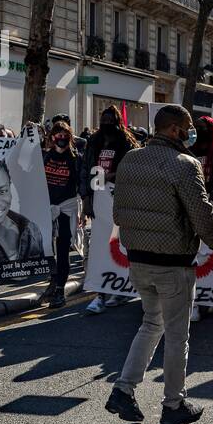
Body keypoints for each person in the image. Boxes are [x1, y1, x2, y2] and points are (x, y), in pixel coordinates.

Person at [105, 105, 213, 424]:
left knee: (151, 323)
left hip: (138, 261)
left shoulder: (130, 159)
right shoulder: (185, 165)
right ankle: (173, 403)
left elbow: (118, 214)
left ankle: (124, 388)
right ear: (175, 130)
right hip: (173, 264)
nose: (192, 134)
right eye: (188, 128)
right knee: (177, 335)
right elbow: (202, 214)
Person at [81, 107, 138, 315]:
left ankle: (122, 288)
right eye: (103, 119)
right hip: (98, 200)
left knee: (121, 245)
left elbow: (132, 168)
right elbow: (85, 170)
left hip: (119, 199)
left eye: (110, 120)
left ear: (117, 122)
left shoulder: (127, 143)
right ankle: (100, 292)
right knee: (100, 246)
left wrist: (112, 175)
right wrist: (86, 198)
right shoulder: (93, 142)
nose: (106, 123)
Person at [41, 120, 82, 309]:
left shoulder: (75, 159)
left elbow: (80, 185)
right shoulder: (44, 157)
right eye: (58, 135)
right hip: (46, 208)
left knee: (63, 250)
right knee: (47, 250)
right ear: (51, 138)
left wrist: (84, 209)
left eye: (65, 136)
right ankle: (53, 280)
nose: (62, 139)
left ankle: (59, 290)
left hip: (66, 208)